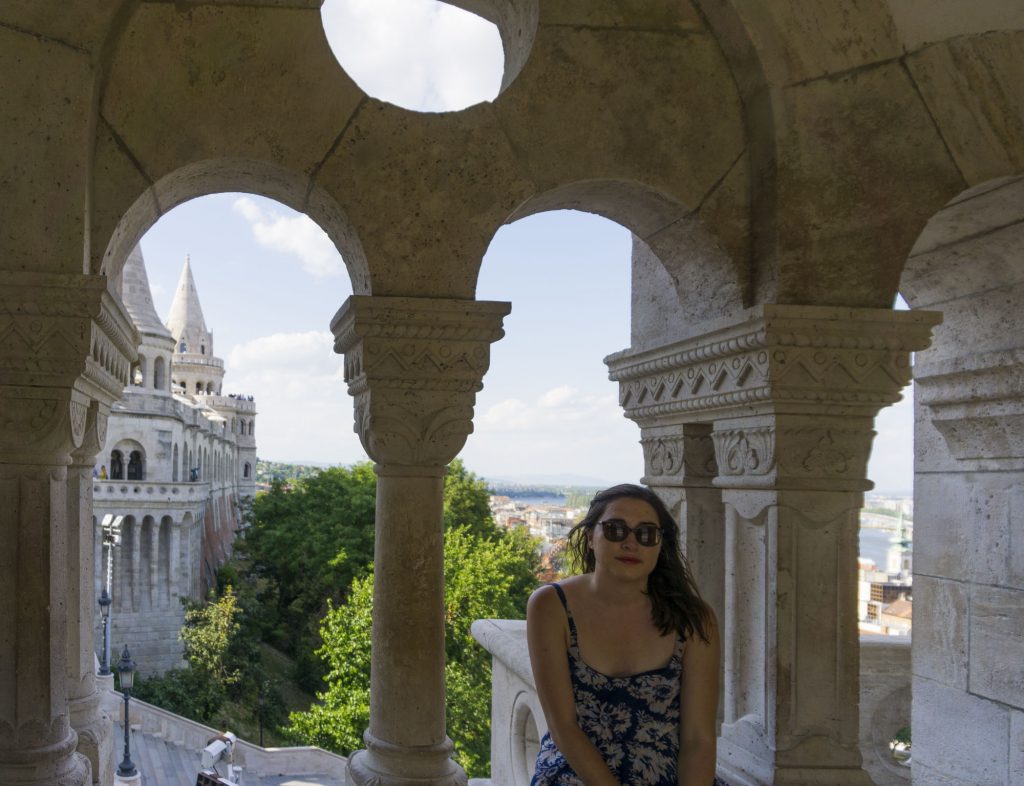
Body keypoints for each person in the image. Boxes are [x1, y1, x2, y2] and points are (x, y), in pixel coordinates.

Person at [527, 484, 726, 786]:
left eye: (646, 534)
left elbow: (698, 739)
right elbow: (563, 726)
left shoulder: (693, 621)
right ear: (590, 537)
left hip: (665, 774)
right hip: (576, 772)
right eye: (615, 530)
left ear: (660, 545)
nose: (631, 543)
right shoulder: (551, 606)